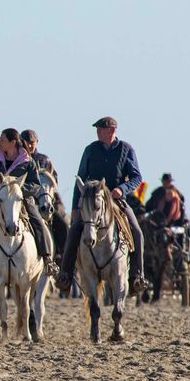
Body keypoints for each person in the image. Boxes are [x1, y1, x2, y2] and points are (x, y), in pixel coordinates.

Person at [56, 116, 146, 292]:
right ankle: (65, 275)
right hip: (91, 202)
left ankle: (137, 276)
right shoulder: (90, 150)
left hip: (116, 201)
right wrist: (75, 208)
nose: (97, 132)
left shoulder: (126, 149)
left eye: (101, 129)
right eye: (97, 129)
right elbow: (80, 178)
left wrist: (122, 188)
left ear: (112, 131)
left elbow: (137, 177)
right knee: (74, 230)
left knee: (137, 231)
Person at [0, 128, 55, 279]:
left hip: (21, 200)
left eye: (2, 140)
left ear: (12, 142)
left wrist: (19, 190)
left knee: (38, 223)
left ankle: (47, 259)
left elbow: (36, 184)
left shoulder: (28, 162)